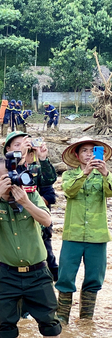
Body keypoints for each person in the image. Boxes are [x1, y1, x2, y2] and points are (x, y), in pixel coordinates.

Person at [0, 158, 61, 338]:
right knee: (5, 323)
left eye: (14, 174)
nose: (13, 179)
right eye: (6, 176)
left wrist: (26, 202)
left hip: (37, 272)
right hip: (7, 274)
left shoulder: (31, 195)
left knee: (49, 322)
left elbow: (47, 220)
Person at [0, 132, 59, 293]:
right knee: (3, 255)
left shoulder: (36, 166)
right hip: (10, 219)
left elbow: (49, 186)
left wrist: (42, 158)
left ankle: (45, 291)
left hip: (36, 219)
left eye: (25, 143)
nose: (23, 147)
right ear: (7, 149)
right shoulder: (7, 167)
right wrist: (19, 158)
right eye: (16, 145)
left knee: (45, 256)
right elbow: (13, 178)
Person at [55, 138, 112, 324]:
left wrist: (106, 174)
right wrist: (85, 174)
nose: (89, 154)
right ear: (77, 156)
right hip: (73, 235)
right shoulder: (69, 175)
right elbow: (69, 191)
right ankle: (61, 319)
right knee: (65, 277)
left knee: (94, 278)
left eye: (93, 151)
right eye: (85, 151)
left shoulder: (105, 175)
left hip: (98, 235)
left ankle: (86, 320)